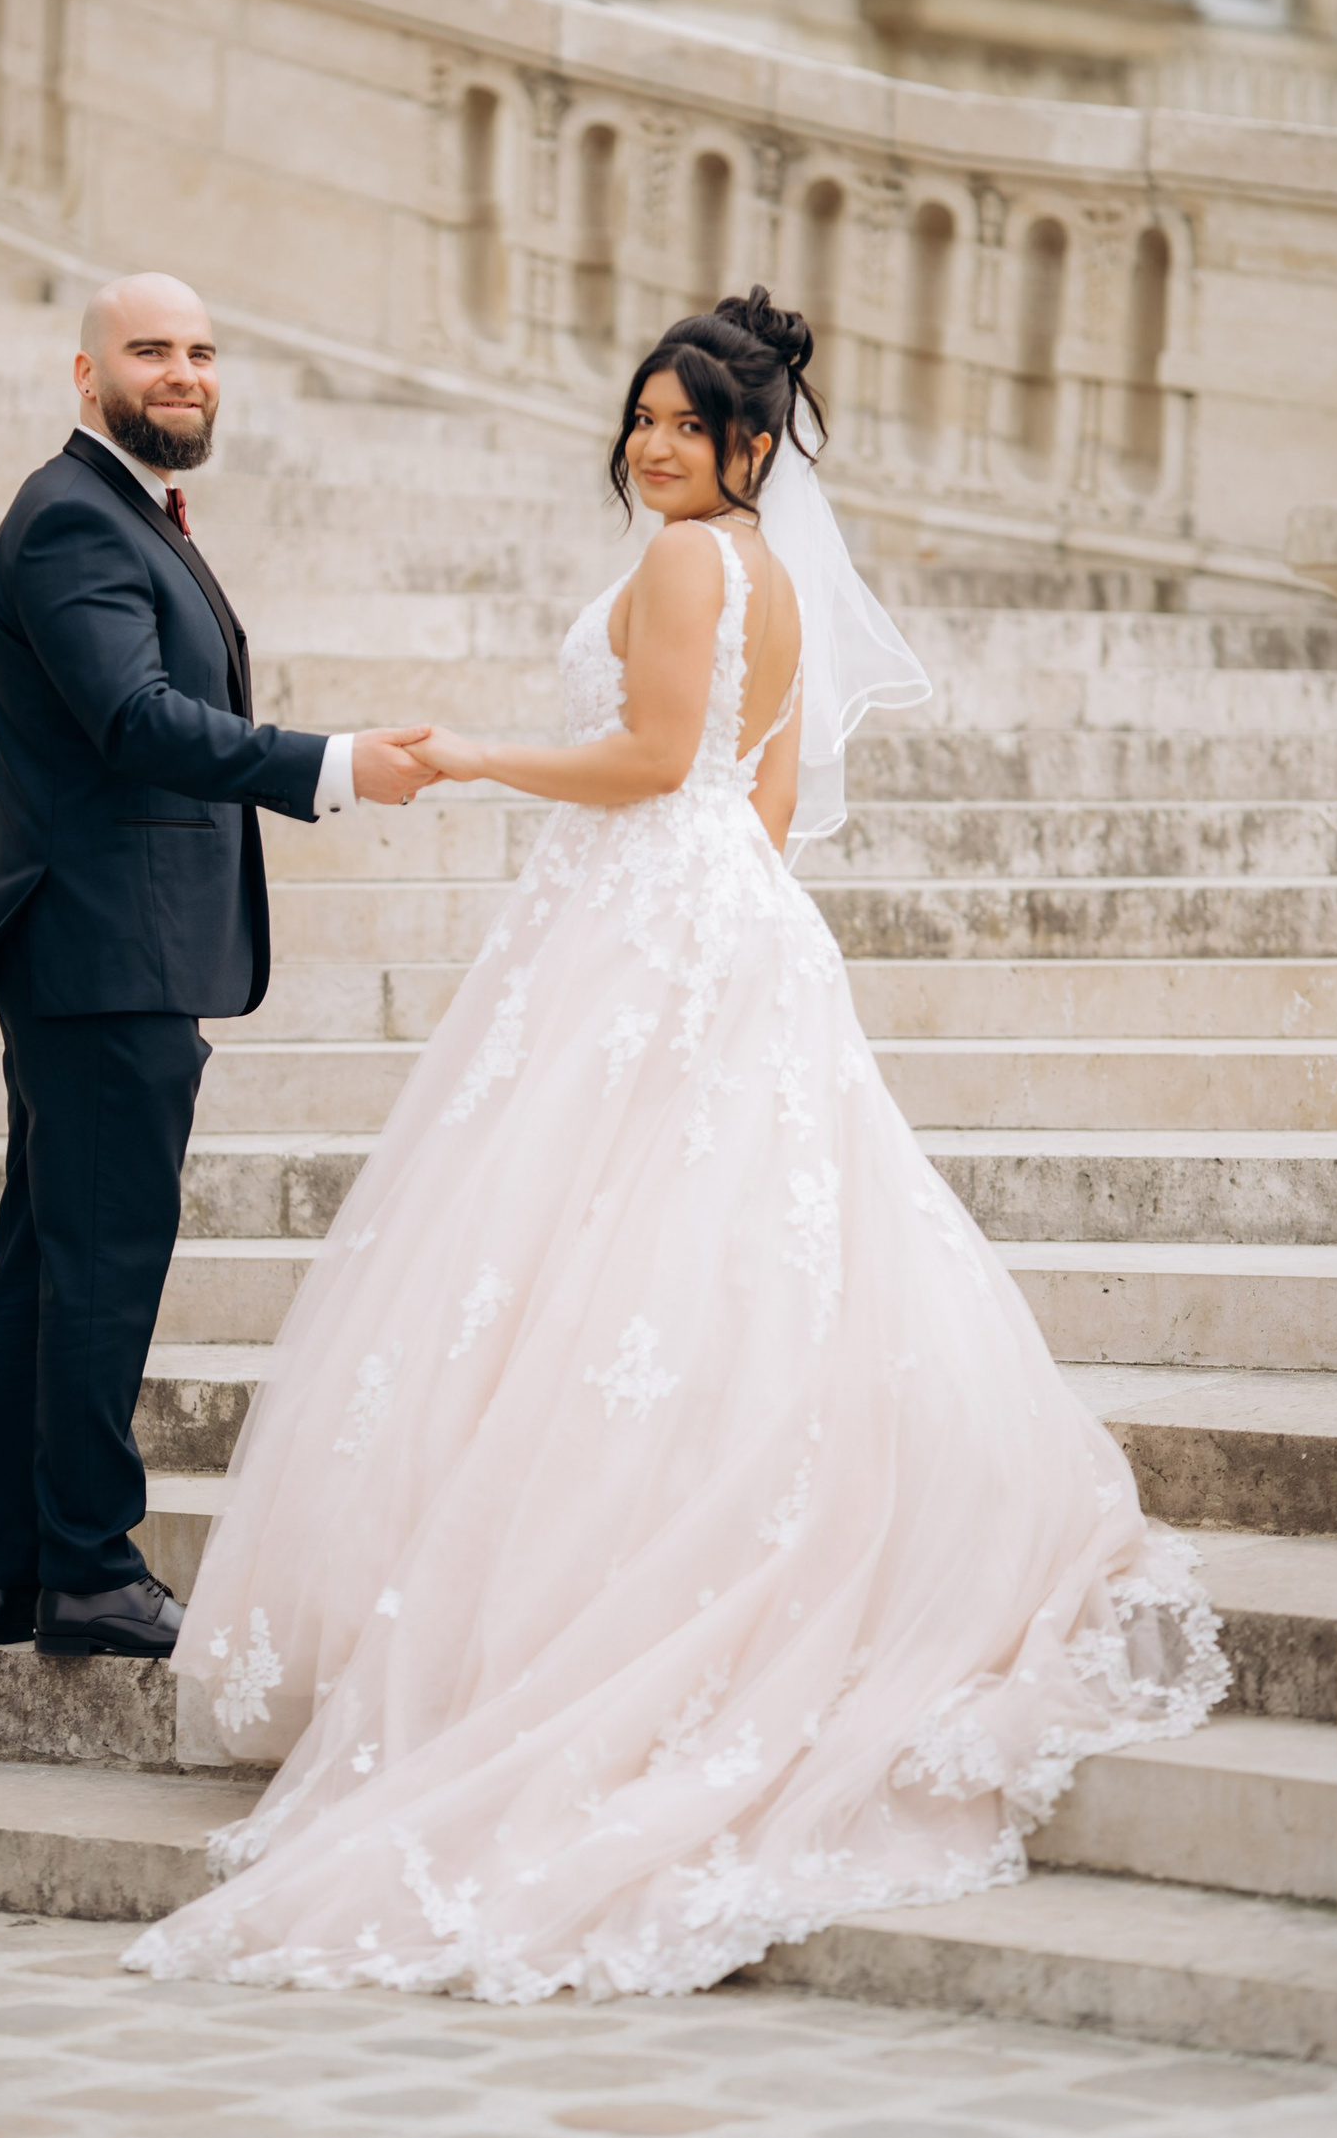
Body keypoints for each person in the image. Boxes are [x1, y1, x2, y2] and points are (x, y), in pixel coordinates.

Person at [125, 288, 1226, 1998]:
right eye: (638, 417)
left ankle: (555, 1643)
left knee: (596, 1262)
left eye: (682, 426)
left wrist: (479, 752)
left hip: (646, 914)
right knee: (705, 1261)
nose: (650, 446)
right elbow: (760, 798)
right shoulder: (773, 578)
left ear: (751, 447)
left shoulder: (689, 561)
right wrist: (721, 918)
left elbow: (650, 757)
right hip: (725, 912)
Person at [0, 272, 438, 1660]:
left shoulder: (118, 514)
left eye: (204, 350)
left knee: (50, 1267)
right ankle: (92, 1572)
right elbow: (138, 720)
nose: (185, 371)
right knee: (100, 1268)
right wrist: (329, 764)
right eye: (151, 349)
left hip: (104, 948)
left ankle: (21, 1571)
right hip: (105, 950)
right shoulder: (67, 521)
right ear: (84, 371)